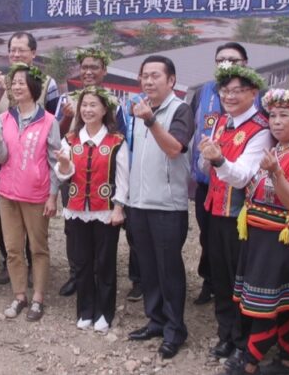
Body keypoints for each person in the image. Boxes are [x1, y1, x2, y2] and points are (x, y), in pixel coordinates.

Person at [228, 89, 289, 375]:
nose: (276, 122)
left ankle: (250, 362)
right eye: (273, 116)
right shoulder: (277, 150)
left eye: (284, 116)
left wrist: (276, 173)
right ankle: (288, 360)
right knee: (279, 302)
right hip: (260, 236)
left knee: (266, 304)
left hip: (281, 241)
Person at [199, 60, 272, 370]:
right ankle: (225, 333)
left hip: (240, 217)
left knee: (240, 281)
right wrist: (207, 159)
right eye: (225, 91)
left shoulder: (260, 130)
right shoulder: (221, 121)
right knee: (220, 276)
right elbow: (207, 164)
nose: (229, 96)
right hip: (215, 210)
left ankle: (244, 343)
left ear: (253, 93)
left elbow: (243, 176)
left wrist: (217, 161)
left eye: (237, 91)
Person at [126, 55, 193, 360]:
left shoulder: (180, 110)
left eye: (155, 76)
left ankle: (175, 329)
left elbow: (174, 148)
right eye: (145, 76)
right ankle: (155, 320)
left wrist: (151, 121)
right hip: (139, 202)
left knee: (169, 271)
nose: (149, 81)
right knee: (148, 268)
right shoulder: (141, 109)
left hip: (167, 206)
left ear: (171, 80)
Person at [0, 63, 60, 322]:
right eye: (13, 82)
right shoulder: (3, 119)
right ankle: (19, 296)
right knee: (13, 248)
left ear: (33, 87)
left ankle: (37, 297)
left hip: (37, 195)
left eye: (21, 82)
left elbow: (55, 161)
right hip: (7, 193)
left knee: (38, 248)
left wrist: (53, 195)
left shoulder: (49, 121)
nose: (16, 87)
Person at [54, 48, 128, 299]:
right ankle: (77, 274)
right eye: (84, 67)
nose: (88, 72)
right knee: (73, 228)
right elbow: (58, 134)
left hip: (102, 173)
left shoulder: (113, 101)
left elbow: (120, 137)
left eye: (94, 67)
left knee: (103, 231)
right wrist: (67, 118)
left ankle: (100, 276)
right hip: (73, 171)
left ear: (104, 70)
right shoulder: (67, 99)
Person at [0, 31, 59, 285]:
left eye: (22, 50)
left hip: (34, 161)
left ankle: (34, 265)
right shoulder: (0, 81)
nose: (16, 54)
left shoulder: (48, 83)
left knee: (34, 220)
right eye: (12, 50)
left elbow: (52, 120)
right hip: (6, 160)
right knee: (6, 217)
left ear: (33, 53)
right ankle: (9, 262)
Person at [189, 42, 250, 306]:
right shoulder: (203, 92)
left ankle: (239, 291)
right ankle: (210, 282)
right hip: (208, 182)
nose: (226, 64)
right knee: (208, 236)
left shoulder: (256, 94)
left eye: (233, 60)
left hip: (241, 185)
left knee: (236, 242)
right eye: (221, 60)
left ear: (245, 63)